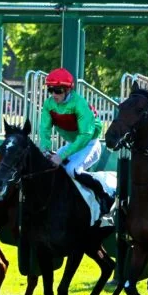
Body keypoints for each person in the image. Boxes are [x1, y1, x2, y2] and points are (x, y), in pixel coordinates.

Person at [37, 68, 109, 201]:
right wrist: (45, 149)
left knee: (72, 169)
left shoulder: (80, 104)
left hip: (89, 144)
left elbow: (85, 136)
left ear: (68, 90)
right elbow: (45, 129)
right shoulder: (49, 104)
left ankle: (103, 195)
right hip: (72, 144)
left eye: (57, 90)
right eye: (50, 90)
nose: (53, 94)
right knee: (50, 167)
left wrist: (61, 155)